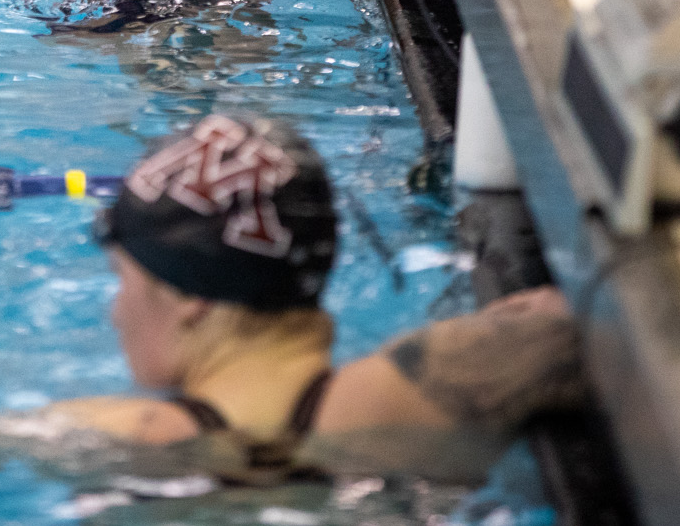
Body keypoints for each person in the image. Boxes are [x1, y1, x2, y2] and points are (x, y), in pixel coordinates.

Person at [46, 115, 586, 480]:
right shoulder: (439, 382)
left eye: (124, 280)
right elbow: (589, 317)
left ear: (193, 299)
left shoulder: (113, 441)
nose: (115, 312)